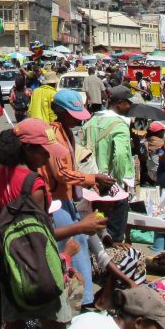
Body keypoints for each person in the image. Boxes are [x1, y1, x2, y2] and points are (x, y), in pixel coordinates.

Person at [0, 122, 107, 329]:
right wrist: (81, 226)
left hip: (11, 265)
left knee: (14, 324)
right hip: (40, 266)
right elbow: (44, 236)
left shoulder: (0, 174)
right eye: (43, 151)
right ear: (27, 149)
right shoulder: (35, 185)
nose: (47, 156)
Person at [45, 89, 116, 311]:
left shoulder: (68, 133)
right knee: (72, 247)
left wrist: (90, 182)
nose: (77, 118)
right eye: (72, 113)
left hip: (67, 198)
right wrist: (90, 178)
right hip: (54, 201)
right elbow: (61, 173)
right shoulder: (53, 135)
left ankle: (82, 299)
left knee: (80, 245)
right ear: (60, 112)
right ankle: (77, 302)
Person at [82, 85, 134, 242]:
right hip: (111, 184)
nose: (130, 106)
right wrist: (119, 183)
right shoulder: (120, 125)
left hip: (92, 183)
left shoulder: (90, 121)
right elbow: (120, 155)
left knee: (95, 232)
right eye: (128, 102)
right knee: (114, 237)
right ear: (119, 103)